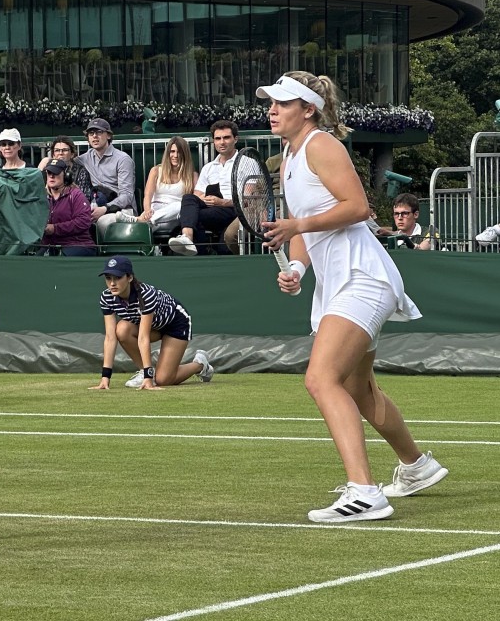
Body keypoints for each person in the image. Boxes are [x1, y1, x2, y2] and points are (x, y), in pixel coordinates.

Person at [258, 70, 448, 523]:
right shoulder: (288, 155)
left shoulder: (323, 145)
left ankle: (365, 493)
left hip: (362, 276)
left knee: (320, 379)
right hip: (336, 282)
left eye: (283, 103)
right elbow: (306, 218)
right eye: (271, 103)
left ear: (309, 109)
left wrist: (295, 227)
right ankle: (416, 467)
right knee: (358, 389)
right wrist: (298, 266)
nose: (272, 110)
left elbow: (359, 207)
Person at [89, 255, 212, 390]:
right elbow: (110, 338)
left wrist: (149, 378)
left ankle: (200, 364)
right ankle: (144, 371)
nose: (112, 283)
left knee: (163, 380)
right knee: (121, 329)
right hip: (155, 327)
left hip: (175, 324)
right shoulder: (107, 297)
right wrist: (105, 378)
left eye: (118, 278)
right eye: (108, 278)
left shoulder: (145, 294)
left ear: (129, 278)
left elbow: (143, 337)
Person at [168, 120, 239, 256]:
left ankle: (197, 249)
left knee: (191, 217)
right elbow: (197, 194)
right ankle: (187, 237)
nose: (222, 142)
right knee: (189, 198)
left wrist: (222, 202)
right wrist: (206, 199)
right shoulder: (209, 167)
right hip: (212, 209)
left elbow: (249, 199)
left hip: (234, 209)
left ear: (235, 139)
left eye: (226, 137)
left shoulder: (247, 162)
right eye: (218, 138)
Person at [117, 136, 195, 234]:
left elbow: (194, 202)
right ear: (167, 153)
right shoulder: (156, 170)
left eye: (179, 152)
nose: (175, 155)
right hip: (154, 210)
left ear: (185, 154)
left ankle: (138, 221)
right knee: (155, 224)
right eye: (172, 151)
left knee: (181, 205)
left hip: (175, 214)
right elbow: (148, 195)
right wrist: (147, 210)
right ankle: (146, 223)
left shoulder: (192, 175)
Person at [78, 118, 135, 237]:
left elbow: (127, 196)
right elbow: (65, 162)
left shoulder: (123, 159)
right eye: (91, 133)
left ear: (108, 135)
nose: (94, 136)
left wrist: (105, 208)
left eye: (99, 132)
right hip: (97, 204)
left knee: (102, 222)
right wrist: (46, 161)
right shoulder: (86, 157)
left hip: (121, 209)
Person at [39, 158, 95, 256]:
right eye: (49, 173)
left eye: (56, 173)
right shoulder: (41, 196)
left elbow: (84, 221)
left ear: (66, 175)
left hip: (77, 245)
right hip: (50, 246)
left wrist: (55, 229)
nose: (51, 176)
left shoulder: (75, 194)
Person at [36, 135, 93, 202]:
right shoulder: (47, 170)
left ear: (72, 154)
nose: (60, 153)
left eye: (65, 150)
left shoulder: (81, 171)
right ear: (53, 155)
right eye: (57, 150)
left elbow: (85, 197)